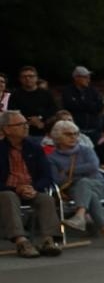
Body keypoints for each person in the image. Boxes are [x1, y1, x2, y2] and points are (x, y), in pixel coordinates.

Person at [48, 119, 104, 247]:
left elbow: (93, 166)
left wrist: (67, 171)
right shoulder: (52, 158)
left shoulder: (86, 150)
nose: (73, 137)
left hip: (99, 185)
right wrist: (80, 173)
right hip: (73, 190)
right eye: (68, 134)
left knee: (85, 184)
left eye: (75, 134)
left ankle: (80, 216)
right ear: (57, 137)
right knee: (87, 190)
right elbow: (57, 180)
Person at [1, 110, 62, 257]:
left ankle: (47, 240)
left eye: (26, 123)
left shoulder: (34, 148)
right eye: (20, 124)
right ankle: (21, 242)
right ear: (6, 129)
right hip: (6, 190)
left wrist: (34, 188)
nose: (26, 127)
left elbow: (47, 176)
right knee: (9, 197)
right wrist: (16, 188)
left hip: (30, 189)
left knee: (46, 199)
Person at [61, 66, 104, 139]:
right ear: (76, 78)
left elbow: (100, 106)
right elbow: (70, 106)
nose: (88, 80)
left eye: (89, 77)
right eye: (85, 77)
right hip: (76, 132)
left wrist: (82, 104)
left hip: (94, 131)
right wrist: (91, 105)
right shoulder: (67, 91)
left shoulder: (93, 91)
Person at [12, 66, 54, 137]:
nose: (27, 78)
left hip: (44, 131)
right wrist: (29, 120)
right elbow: (12, 112)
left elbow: (53, 109)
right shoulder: (15, 95)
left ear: (36, 78)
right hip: (22, 132)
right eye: (24, 76)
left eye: (31, 76)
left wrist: (40, 118)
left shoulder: (46, 94)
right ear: (20, 79)